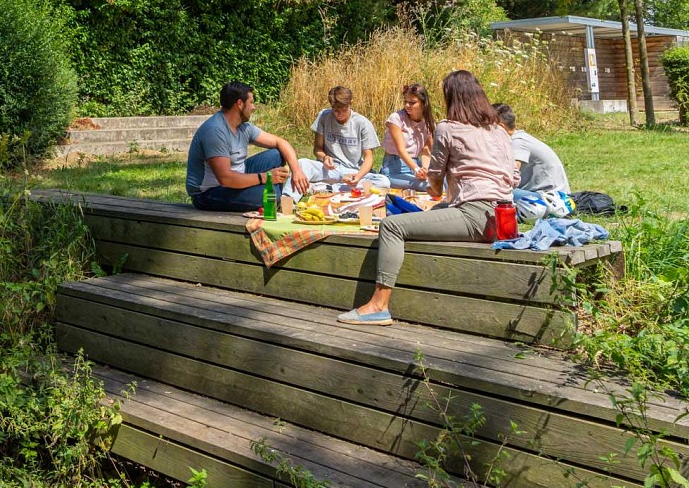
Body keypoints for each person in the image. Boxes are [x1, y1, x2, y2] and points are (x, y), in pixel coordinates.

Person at [338, 69, 517, 326]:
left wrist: (437, 190)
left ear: (452, 98)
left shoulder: (448, 128)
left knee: (391, 226)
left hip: (475, 216)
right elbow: (513, 177)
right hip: (504, 219)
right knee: (433, 214)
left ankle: (378, 305)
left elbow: (434, 182)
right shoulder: (499, 131)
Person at [185, 81, 310, 212]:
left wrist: (296, 170)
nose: (254, 107)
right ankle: (274, 197)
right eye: (251, 102)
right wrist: (264, 177)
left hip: (237, 177)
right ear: (239, 104)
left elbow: (281, 142)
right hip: (209, 193)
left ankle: (273, 196)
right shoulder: (215, 131)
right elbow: (225, 179)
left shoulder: (244, 127)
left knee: (276, 154)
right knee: (271, 195)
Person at [494, 104, 570, 195]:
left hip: (551, 196)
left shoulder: (518, 142)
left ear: (501, 127)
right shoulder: (517, 139)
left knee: (498, 193)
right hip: (540, 193)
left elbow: (510, 176)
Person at [308, 86, 379, 181]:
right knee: (302, 164)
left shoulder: (362, 123)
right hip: (329, 169)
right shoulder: (324, 117)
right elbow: (317, 148)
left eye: (344, 110)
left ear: (350, 104)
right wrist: (324, 158)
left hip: (352, 170)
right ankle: (287, 195)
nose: (339, 113)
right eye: (335, 110)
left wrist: (358, 176)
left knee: (383, 181)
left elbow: (369, 157)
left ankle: (329, 187)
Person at [381, 83, 434, 190]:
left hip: (416, 164)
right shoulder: (396, 118)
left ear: (423, 104)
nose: (407, 105)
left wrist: (424, 169)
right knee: (430, 186)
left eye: (412, 103)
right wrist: (416, 169)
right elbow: (401, 150)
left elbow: (426, 151)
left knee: (445, 181)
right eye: (406, 102)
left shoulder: (428, 123)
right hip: (395, 166)